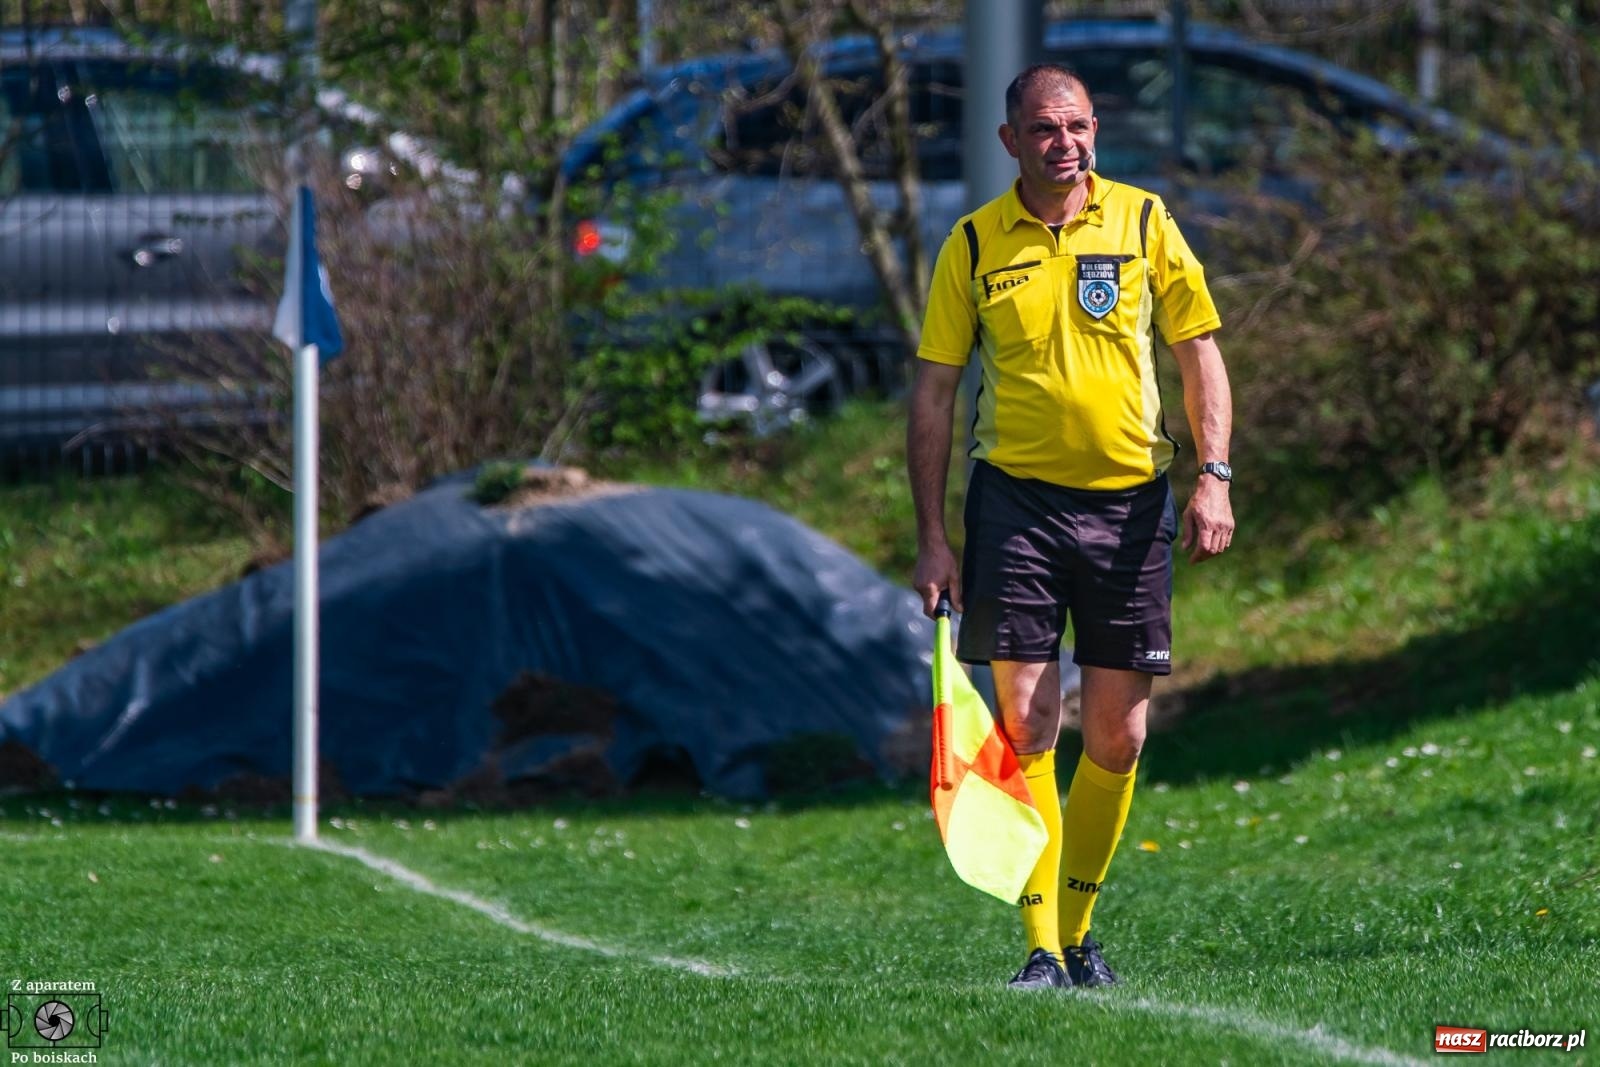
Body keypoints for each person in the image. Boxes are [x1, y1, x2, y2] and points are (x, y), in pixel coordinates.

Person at [907, 64, 1235, 990]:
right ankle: (1041, 949)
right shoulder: (973, 244)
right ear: (1010, 140)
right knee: (1026, 721)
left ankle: (1080, 933)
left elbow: (1198, 353)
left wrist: (1212, 476)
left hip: (1131, 504)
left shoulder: (1144, 220)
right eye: (1047, 129)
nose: (1067, 143)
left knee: (1119, 738)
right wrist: (932, 535)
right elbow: (933, 392)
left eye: (1080, 126)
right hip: (1015, 505)